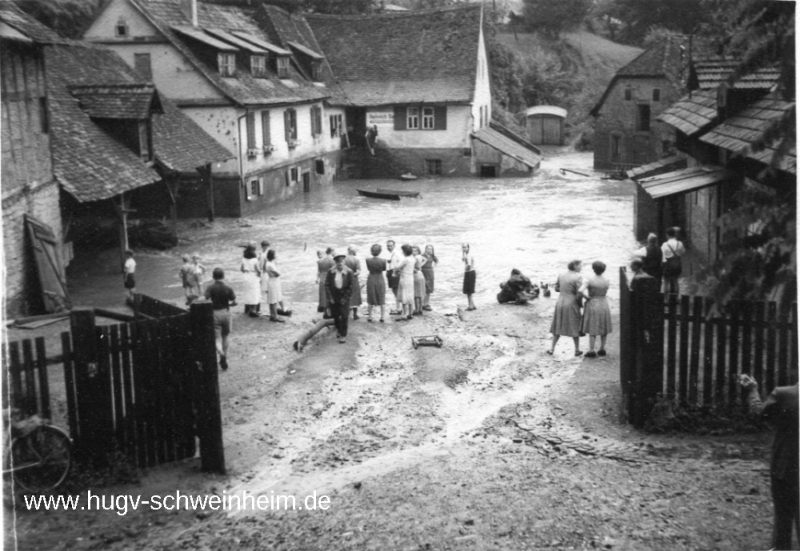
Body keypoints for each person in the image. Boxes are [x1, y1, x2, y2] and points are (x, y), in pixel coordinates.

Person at [740, 374, 799, 550]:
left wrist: (752, 391)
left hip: (786, 466)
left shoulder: (784, 394)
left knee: (783, 517)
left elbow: (759, 414)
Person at [548, 260, 584, 357]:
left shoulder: (561, 274)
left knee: (557, 325)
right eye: (580, 266)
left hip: (560, 301)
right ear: (575, 266)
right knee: (575, 325)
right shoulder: (578, 277)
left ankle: (552, 349)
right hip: (572, 302)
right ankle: (576, 350)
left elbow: (556, 288)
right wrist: (581, 304)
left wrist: (564, 289)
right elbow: (579, 293)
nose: (581, 267)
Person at [204, 268, 236, 370]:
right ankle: (224, 356)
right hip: (226, 313)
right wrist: (230, 304)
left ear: (213, 277)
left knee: (217, 337)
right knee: (225, 336)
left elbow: (205, 299)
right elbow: (235, 301)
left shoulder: (210, 288)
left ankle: (220, 353)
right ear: (224, 276)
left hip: (215, 314)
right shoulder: (228, 288)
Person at [581, 261, 612, 358]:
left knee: (593, 326)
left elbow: (580, 291)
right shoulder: (607, 280)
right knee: (603, 325)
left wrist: (586, 298)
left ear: (593, 269)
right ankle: (602, 348)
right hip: (603, 302)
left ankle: (591, 349)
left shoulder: (589, 280)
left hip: (593, 302)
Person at [325, 251, 354, 343]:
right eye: (338, 262)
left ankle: (343, 335)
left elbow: (351, 287)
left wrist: (345, 299)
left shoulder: (349, 272)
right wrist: (330, 298)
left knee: (345, 316)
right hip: (334, 296)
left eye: (342, 262)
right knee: (336, 316)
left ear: (344, 262)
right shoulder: (331, 271)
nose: (340, 263)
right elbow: (327, 285)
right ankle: (338, 329)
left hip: (344, 296)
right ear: (336, 263)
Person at [365, 244, 387, 322]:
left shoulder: (368, 260)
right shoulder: (383, 260)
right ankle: (382, 317)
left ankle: (370, 316)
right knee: (381, 297)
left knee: (370, 297)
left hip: (371, 278)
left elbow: (368, 268)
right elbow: (384, 269)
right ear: (380, 251)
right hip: (380, 278)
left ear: (371, 251)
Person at [661, 226, 685, 295]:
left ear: (667, 235)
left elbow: (662, 256)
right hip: (677, 265)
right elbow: (683, 251)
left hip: (668, 266)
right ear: (674, 234)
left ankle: (665, 298)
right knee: (675, 281)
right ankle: (676, 298)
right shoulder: (679, 243)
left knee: (666, 282)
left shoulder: (665, 245)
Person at [394, 244, 415, 321]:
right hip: (410, 278)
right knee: (410, 295)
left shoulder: (406, 259)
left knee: (404, 296)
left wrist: (395, 264)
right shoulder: (412, 258)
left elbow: (397, 267)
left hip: (404, 278)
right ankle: (410, 313)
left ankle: (404, 314)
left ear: (404, 252)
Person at [240, 244, 261, 317]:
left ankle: (249, 309)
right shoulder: (255, 260)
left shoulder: (244, 258)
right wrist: (260, 276)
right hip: (253, 276)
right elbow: (258, 270)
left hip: (246, 276)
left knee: (247, 293)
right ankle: (254, 310)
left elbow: (241, 269)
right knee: (255, 293)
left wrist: (246, 271)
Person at [265, 249, 286, 322]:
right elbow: (277, 274)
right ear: (272, 256)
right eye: (274, 254)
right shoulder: (270, 264)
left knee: (272, 299)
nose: (276, 255)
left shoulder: (270, 262)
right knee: (273, 300)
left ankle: (272, 315)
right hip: (273, 281)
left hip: (273, 281)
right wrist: (279, 272)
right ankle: (275, 316)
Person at [345, 246, 362, 320]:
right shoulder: (356, 260)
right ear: (353, 251)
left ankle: (346, 313)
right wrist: (353, 274)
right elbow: (358, 272)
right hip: (354, 280)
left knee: (346, 295)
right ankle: (355, 314)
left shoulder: (344, 259)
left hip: (345, 279)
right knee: (355, 296)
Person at [386, 240, 402, 315]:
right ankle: (398, 307)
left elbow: (401, 263)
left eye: (390, 246)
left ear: (394, 245)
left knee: (396, 290)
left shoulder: (397, 253)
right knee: (394, 290)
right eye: (388, 246)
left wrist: (396, 271)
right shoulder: (390, 253)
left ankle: (398, 308)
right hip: (390, 272)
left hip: (394, 272)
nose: (389, 247)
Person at [317, 247, 335, 314]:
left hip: (322, 279)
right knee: (329, 295)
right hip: (329, 279)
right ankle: (329, 312)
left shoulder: (320, 260)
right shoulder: (332, 260)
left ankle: (324, 311)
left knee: (323, 295)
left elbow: (319, 271)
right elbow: (333, 271)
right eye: (334, 251)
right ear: (331, 251)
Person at [412, 246, 427, 316]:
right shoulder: (420, 256)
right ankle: (420, 309)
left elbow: (411, 266)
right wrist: (420, 266)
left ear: (418, 251)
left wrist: (415, 269)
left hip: (416, 275)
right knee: (420, 293)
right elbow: (425, 259)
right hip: (421, 274)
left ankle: (417, 309)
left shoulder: (414, 258)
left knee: (416, 294)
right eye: (412, 251)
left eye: (415, 251)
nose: (413, 252)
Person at [421, 245, 438, 311]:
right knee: (424, 288)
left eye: (431, 249)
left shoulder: (432, 256)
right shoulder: (422, 255)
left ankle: (426, 303)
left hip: (430, 272)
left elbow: (436, 261)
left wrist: (434, 266)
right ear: (425, 249)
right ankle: (423, 304)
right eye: (428, 249)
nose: (429, 250)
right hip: (423, 272)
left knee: (429, 289)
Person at [462, 243, 476, 311]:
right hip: (471, 272)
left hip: (469, 273)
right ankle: (472, 304)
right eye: (463, 247)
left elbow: (469, 265)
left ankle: (470, 306)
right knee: (469, 290)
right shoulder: (467, 254)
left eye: (465, 247)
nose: (464, 249)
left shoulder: (468, 255)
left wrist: (466, 269)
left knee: (468, 291)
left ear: (468, 248)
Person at [258, 240, 271, 312]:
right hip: (266, 273)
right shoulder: (264, 254)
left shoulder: (262, 254)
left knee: (264, 290)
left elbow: (260, 266)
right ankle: (268, 307)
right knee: (267, 291)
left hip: (264, 273)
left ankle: (261, 307)